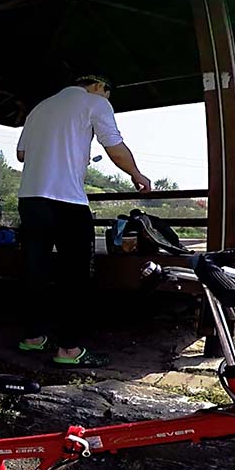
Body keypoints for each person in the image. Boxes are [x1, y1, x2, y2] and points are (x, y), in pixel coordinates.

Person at [15, 74, 151, 367]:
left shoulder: (39, 108)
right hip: (67, 201)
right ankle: (68, 350)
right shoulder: (94, 103)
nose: (106, 101)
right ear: (100, 86)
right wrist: (137, 175)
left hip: (30, 200)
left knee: (35, 271)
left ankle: (33, 337)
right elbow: (114, 147)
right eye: (107, 95)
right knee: (75, 276)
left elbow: (21, 154)